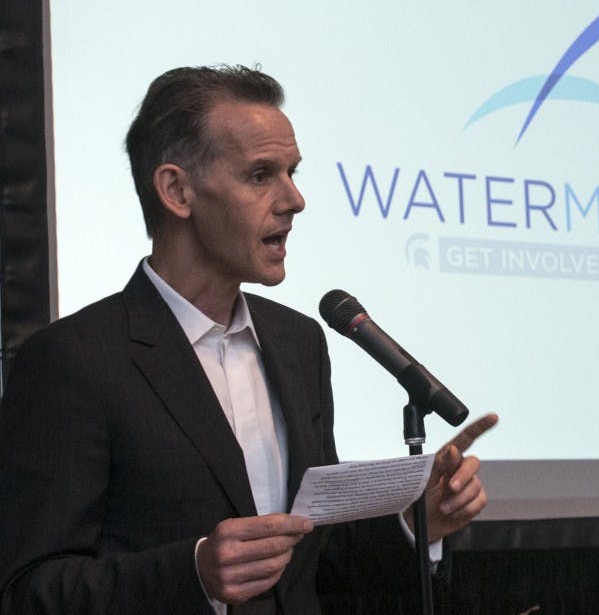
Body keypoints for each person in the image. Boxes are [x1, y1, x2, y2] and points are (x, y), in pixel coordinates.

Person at [0, 65, 498, 614]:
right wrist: (193, 573)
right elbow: (29, 590)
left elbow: (315, 559)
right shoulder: (73, 362)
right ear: (176, 191)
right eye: (261, 175)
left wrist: (414, 523)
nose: (294, 199)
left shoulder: (298, 342)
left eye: (293, 172)